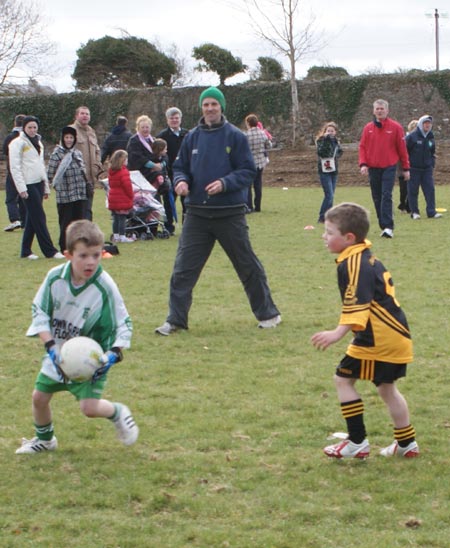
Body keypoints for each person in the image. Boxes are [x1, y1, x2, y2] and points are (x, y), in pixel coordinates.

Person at [155, 86, 281, 336]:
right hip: (197, 215)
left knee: (247, 265)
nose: (210, 108)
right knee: (183, 270)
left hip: (230, 213)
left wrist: (225, 183)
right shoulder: (192, 137)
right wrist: (181, 181)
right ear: (201, 108)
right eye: (206, 104)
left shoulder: (235, 136)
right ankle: (175, 320)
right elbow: (180, 166)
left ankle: (268, 314)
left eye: (214, 104)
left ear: (221, 107)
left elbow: (247, 171)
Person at [15, 220, 139, 454]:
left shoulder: (105, 287)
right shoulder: (54, 278)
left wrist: (113, 354)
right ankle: (45, 440)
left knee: (89, 408)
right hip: (59, 354)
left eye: (96, 255)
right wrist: (50, 345)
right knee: (39, 397)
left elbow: (124, 323)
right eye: (83, 255)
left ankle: (118, 412)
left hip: (92, 359)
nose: (90, 261)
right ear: (68, 255)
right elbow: (39, 310)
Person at [311, 202, 419, 459]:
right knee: (386, 388)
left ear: (349, 238)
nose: (323, 237)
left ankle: (357, 442)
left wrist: (337, 333)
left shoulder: (354, 264)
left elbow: (358, 302)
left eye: (329, 232)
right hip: (396, 336)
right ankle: (406, 445)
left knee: (343, 379)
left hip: (377, 338)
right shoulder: (361, 256)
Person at [8, 116, 64, 260]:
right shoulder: (17, 143)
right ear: (24, 128)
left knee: (32, 218)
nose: (32, 130)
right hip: (27, 184)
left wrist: (45, 187)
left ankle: (25, 251)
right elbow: (15, 167)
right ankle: (49, 251)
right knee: (39, 216)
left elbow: (40, 165)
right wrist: (21, 188)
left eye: (34, 127)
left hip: (38, 182)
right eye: (29, 127)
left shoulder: (38, 142)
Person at [359, 99, 410, 238]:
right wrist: (363, 164)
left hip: (389, 166)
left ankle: (388, 226)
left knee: (386, 195)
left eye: (382, 109)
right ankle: (383, 224)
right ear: (373, 111)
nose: (380, 111)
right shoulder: (368, 128)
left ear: (387, 111)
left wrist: (406, 168)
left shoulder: (396, 127)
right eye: (377, 109)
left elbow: (402, 149)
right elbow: (362, 147)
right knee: (377, 197)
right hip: (373, 168)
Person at [47, 126, 88, 252]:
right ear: (62, 138)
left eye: (71, 137)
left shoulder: (77, 153)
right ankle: (64, 246)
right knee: (65, 222)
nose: (69, 140)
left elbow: (82, 170)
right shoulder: (57, 154)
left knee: (78, 222)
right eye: (67, 137)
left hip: (79, 193)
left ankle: (78, 245)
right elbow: (50, 173)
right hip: (65, 195)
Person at [69, 106, 105, 221]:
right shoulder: (71, 131)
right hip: (76, 178)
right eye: (82, 113)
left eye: (87, 114)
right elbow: (66, 153)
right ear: (76, 116)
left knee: (88, 209)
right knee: (77, 210)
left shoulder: (91, 131)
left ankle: (88, 235)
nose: (85, 116)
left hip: (90, 178)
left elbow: (97, 150)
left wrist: (98, 165)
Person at [157, 107, 189, 227]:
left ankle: (187, 226)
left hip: (186, 173)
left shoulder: (187, 134)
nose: (174, 120)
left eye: (177, 118)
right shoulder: (162, 136)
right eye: (172, 118)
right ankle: (168, 226)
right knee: (169, 201)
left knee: (186, 201)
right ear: (167, 120)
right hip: (169, 173)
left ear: (180, 119)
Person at [406, 115, 442, 220]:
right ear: (421, 124)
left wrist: (431, 163)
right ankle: (415, 212)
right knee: (413, 191)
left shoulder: (431, 136)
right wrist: (407, 165)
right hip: (414, 169)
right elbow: (404, 151)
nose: (427, 125)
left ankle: (431, 212)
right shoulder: (412, 137)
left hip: (427, 169)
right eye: (425, 123)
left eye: (429, 123)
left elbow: (432, 151)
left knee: (430, 189)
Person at [315, 121, 343, 223]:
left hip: (333, 170)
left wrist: (335, 157)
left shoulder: (336, 141)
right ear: (325, 131)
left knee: (331, 194)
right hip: (324, 170)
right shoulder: (321, 140)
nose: (330, 132)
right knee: (329, 194)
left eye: (332, 131)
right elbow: (321, 152)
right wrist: (326, 140)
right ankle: (322, 216)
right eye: (328, 130)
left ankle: (329, 216)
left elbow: (340, 151)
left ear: (335, 132)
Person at [3, 114, 27, 232]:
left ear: (15, 123)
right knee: (23, 196)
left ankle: (15, 219)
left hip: (13, 171)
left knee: (10, 198)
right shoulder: (27, 138)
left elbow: (6, 153)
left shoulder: (10, 138)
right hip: (26, 172)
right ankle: (24, 220)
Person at [244, 114, 272, 213]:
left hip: (249, 162)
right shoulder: (262, 134)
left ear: (248, 123)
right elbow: (269, 145)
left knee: (248, 185)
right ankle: (258, 206)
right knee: (258, 184)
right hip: (260, 161)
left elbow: (243, 149)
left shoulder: (246, 135)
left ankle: (249, 206)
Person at [107, 149, 135, 243]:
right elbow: (127, 186)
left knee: (116, 218)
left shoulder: (111, 171)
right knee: (122, 218)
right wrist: (131, 195)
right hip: (122, 197)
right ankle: (122, 236)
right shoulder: (124, 172)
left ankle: (116, 235)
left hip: (113, 197)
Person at [397, 119, 417, 214]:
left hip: (414, 167)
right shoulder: (405, 139)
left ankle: (409, 206)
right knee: (404, 188)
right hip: (403, 167)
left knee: (413, 188)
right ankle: (403, 206)